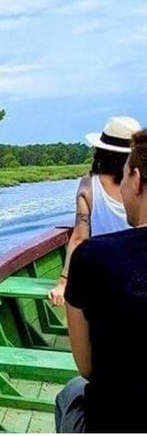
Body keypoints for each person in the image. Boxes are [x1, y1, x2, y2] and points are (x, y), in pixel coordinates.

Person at [55, 127, 147, 433]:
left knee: (69, 392)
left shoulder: (90, 258)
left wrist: (64, 279)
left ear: (135, 179)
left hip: (115, 422)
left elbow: (87, 368)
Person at [48, 116, 141, 306]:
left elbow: (79, 238)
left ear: (102, 151)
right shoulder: (141, 185)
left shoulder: (88, 185)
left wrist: (63, 281)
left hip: (102, 272)